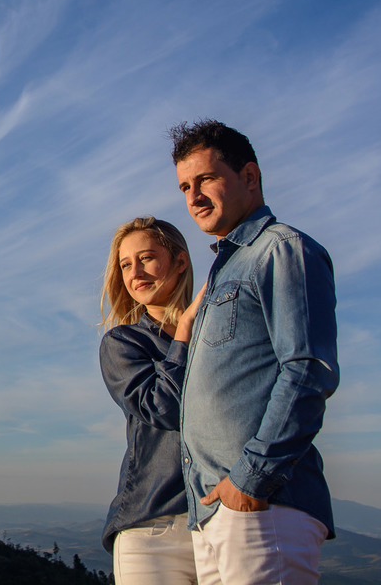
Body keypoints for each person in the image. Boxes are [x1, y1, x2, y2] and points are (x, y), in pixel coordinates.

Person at [170, 120, 338, 585]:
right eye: (184, 187)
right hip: (216, 511)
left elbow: (308, 369)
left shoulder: (281, 249)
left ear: (249, 176)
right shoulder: (223, 271)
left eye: (206, 179)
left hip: (263, 508)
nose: (193, 197)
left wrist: (251, 478)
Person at [99, 217, 201, 584]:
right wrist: (184, 336)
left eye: (146, 258)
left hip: (221, 519)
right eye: (126, 265)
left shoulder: (219, 336)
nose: (135, 272)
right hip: (151, 529)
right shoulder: (123, 343)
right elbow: (163, 408)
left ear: (180, 261)